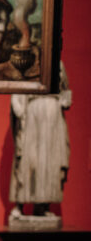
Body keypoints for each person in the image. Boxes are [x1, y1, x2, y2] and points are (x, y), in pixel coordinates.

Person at [9, 64, 72, 218]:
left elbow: (65, 90)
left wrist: (63, 99)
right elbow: (18, 88)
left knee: (50, 161)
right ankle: (19, 205)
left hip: (52, 115)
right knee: (29, 160)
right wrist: (19, 110)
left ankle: (42, 206)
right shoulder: (30, 60)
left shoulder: (59, 63)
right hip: (32, 112)